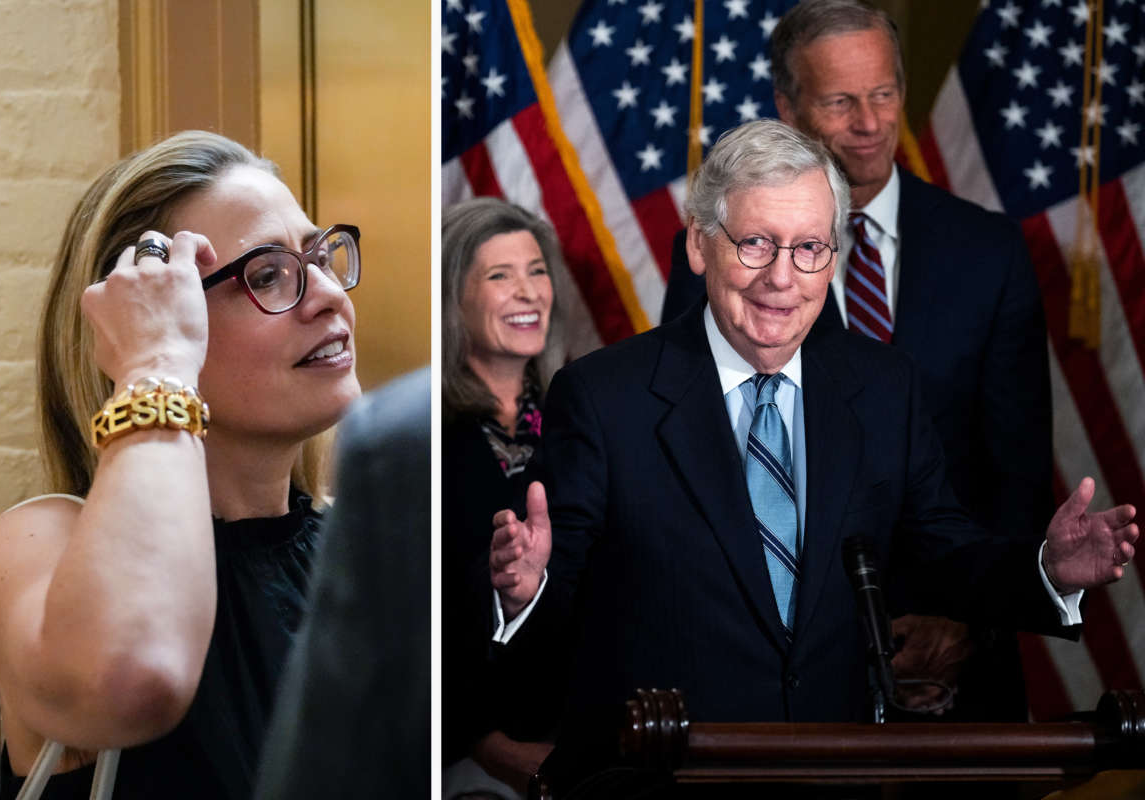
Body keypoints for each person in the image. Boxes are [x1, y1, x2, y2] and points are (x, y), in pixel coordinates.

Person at [490, 120, 1136, 786]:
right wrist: (527, 590)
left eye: (808, 249)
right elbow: (554, 593)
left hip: (833, 771)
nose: (781, 277)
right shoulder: (603, 397)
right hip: (657, 777)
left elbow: (945, 552)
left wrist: (1047, 571)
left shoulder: (884, 389)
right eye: (756, 244)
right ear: (698, 246)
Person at [663, 0, 1053, 720]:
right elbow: (695, 454)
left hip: (959, 661)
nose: (870, 124)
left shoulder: (990, 251)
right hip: (783, 672)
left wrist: (966, 624)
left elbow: (1017, 470)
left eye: (883, 94)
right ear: (787, 105)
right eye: (841, 101)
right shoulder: (727, 254)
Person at [0, 130, 363, 798]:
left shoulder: (358, 549)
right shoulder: (37, 544)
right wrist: (156, 364)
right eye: (268, 275)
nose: (326, 293)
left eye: (320, 255)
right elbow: (131, 677)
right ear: (144, 316)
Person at [255, 368, 430, 800]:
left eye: (343, 290)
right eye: (260, 293)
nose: (330, 298)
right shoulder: (68, 545)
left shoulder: (369, 528)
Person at [441, 198, 566, 799]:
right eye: (499, 275)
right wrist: (487, 746)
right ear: (453, 300)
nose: (528, 291)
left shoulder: (586, 415)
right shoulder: (424, 433)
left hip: (583, 738)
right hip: (462, 754)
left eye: (537, 271)